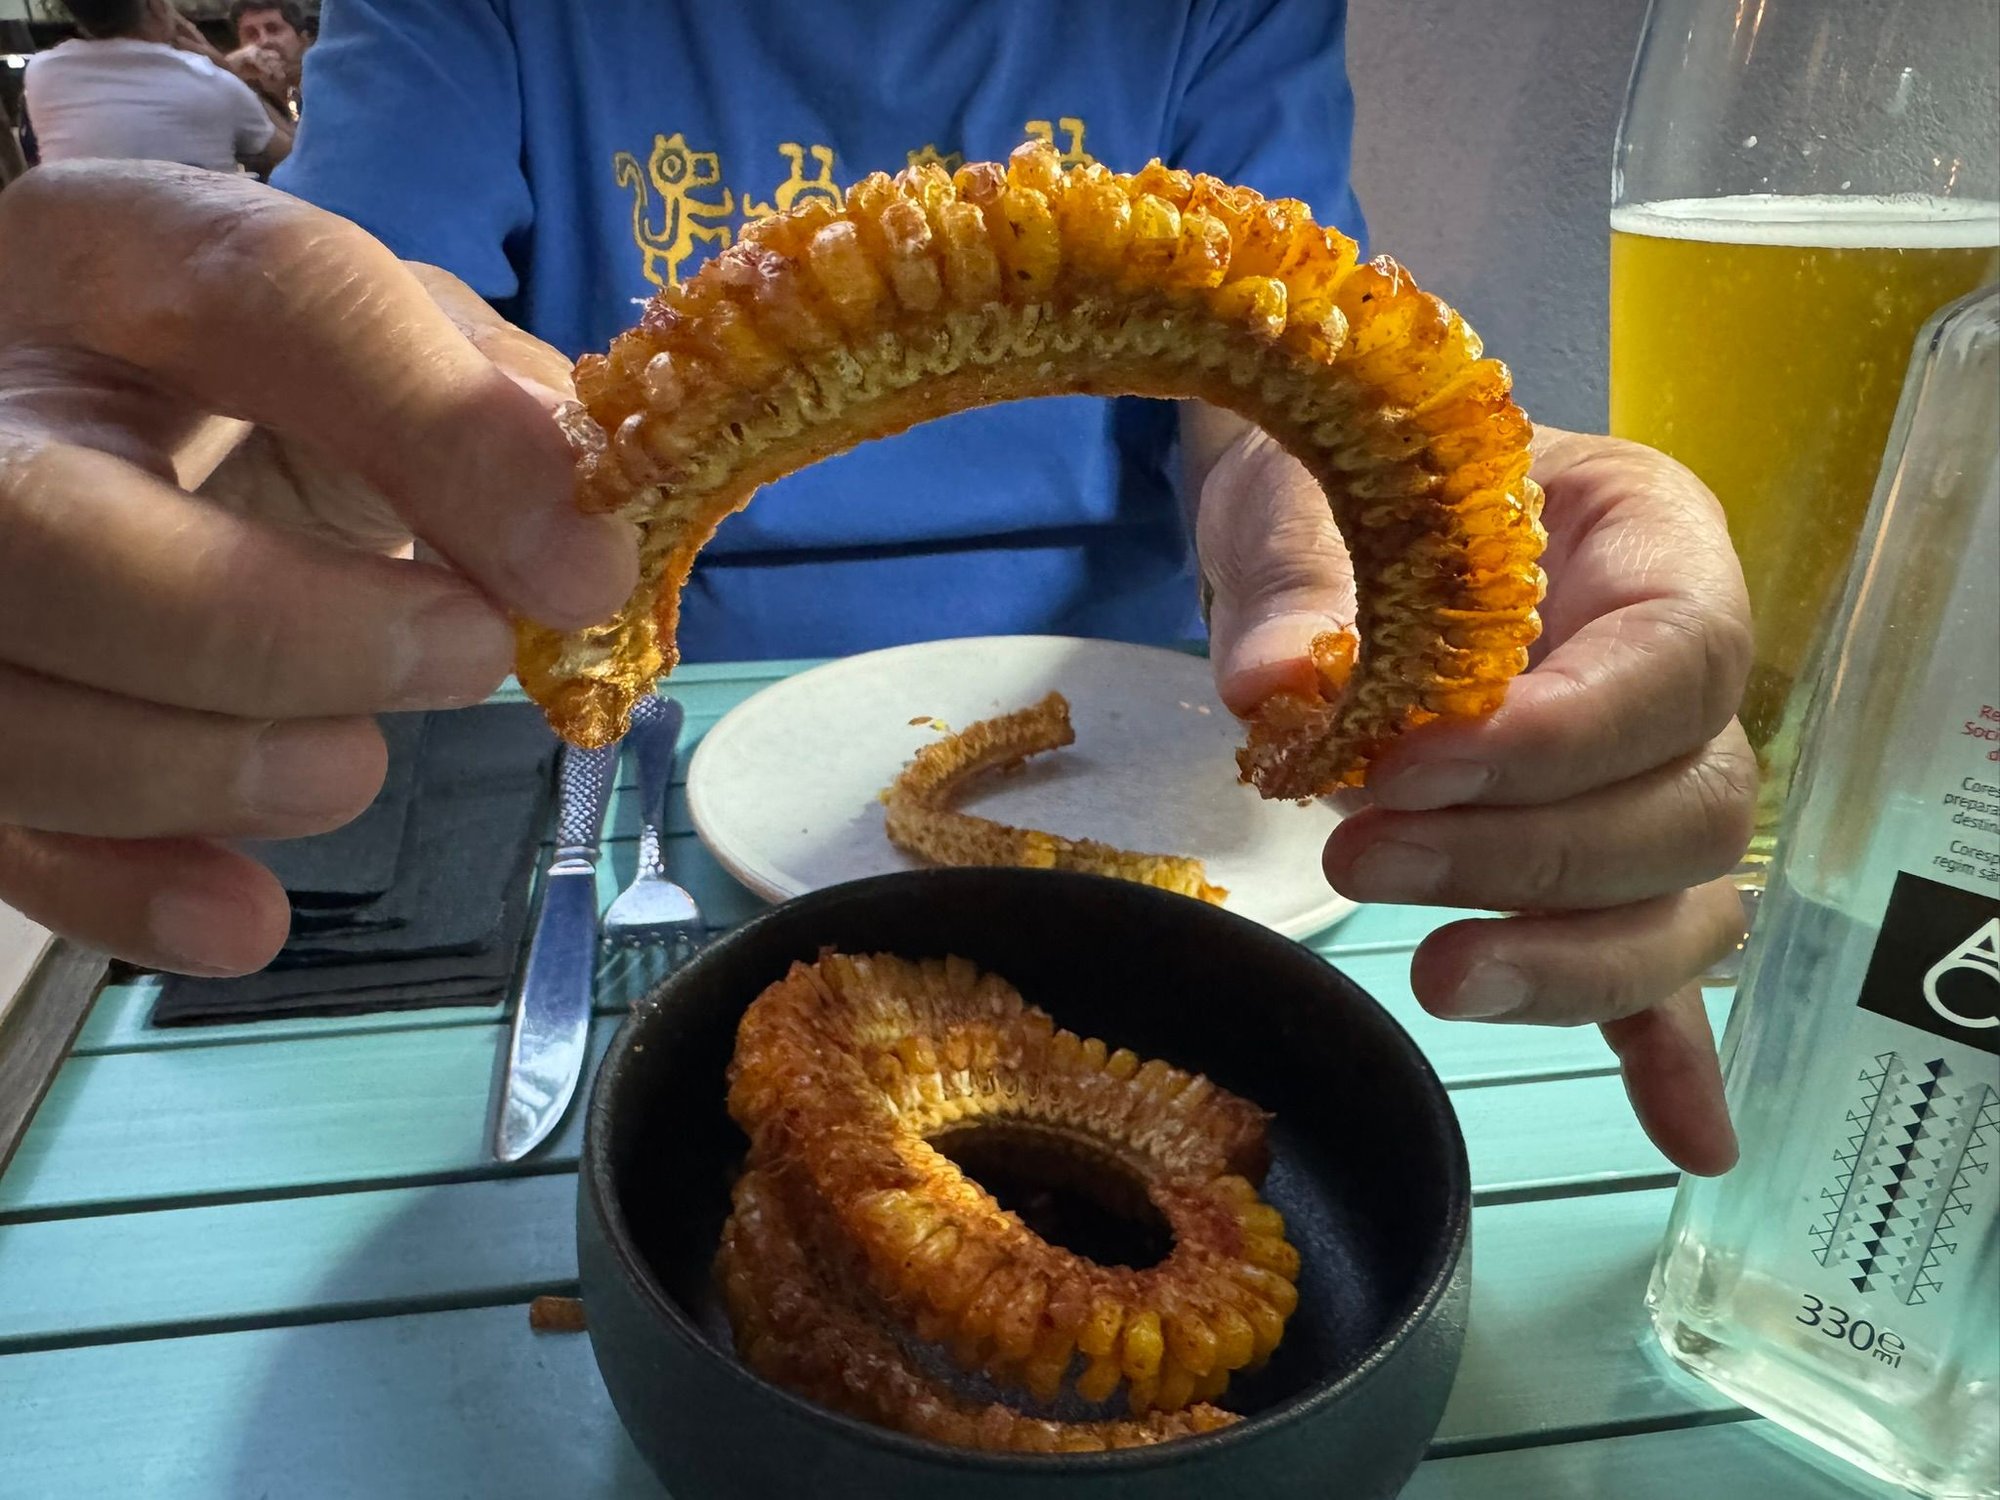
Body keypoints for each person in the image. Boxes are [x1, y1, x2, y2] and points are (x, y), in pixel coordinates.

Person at [0, 1, 1754, 1179]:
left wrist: (1383, 562)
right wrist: (163, 455)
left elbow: (1268, 382)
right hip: (637, 816)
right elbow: (352, 331)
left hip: (1162, 792)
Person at [23, 0, 290, 174]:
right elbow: (297, 157)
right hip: (202, 251)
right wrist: (222, 66)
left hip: (92, 255)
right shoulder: (210, 81)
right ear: (155, 6)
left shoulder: (41, 74)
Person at [227, 0, 307, 115]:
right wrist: (227, 73)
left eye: (273, 29)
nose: (264, 41)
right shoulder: (237, 94)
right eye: (251, 34)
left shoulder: (330, 85)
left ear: (302, 39)